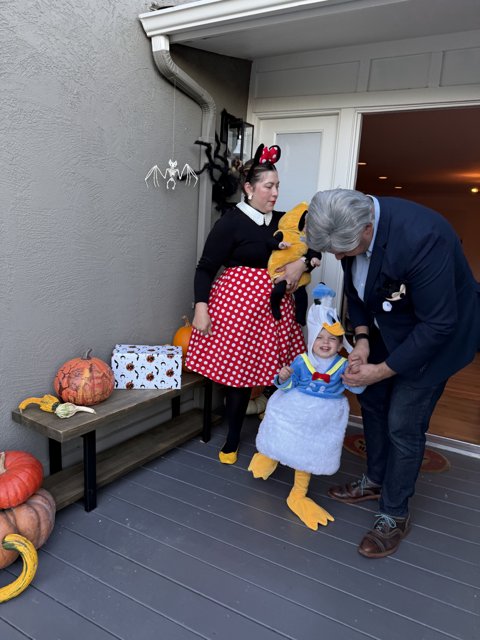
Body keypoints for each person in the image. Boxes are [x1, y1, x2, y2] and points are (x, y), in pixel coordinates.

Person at [306, 188, 480, 558]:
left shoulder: (423, 238)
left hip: (439, 338)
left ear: (368, 229)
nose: (337, 257)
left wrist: (382, 370)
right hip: (390, 326)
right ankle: (376, 479)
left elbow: (438, 325)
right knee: (372, 401)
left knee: (403, 421)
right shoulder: (351, 230)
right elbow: (358, 294)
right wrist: (364, 341)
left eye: (342, 250)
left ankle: (394, 512)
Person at [185, 144, 321, 464]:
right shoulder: (230, 222)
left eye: (277, 186)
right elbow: (205, 267)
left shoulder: (287, 220)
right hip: (238, 307)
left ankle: (277, 430)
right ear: (249, 188)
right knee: (240, 375)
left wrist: (301, 265)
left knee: (279, 371)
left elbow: (315, 247)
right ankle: (232, 439)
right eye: (268, 186)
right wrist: (201, 307)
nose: (275, 193)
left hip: (276, 309)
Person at [248, 284, 365, 530]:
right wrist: (283, 376)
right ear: (311, 339)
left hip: (322, 417)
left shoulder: (342, 365)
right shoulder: (301, 361)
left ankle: (298, 494)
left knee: (308, 452)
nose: (325, 343)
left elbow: (356, 388)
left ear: (339, 343)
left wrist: (358, 377)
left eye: (332, 339)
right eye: (320, 337)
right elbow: (287, 385)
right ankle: (269, 456)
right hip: (295, 406)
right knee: (279, 427)